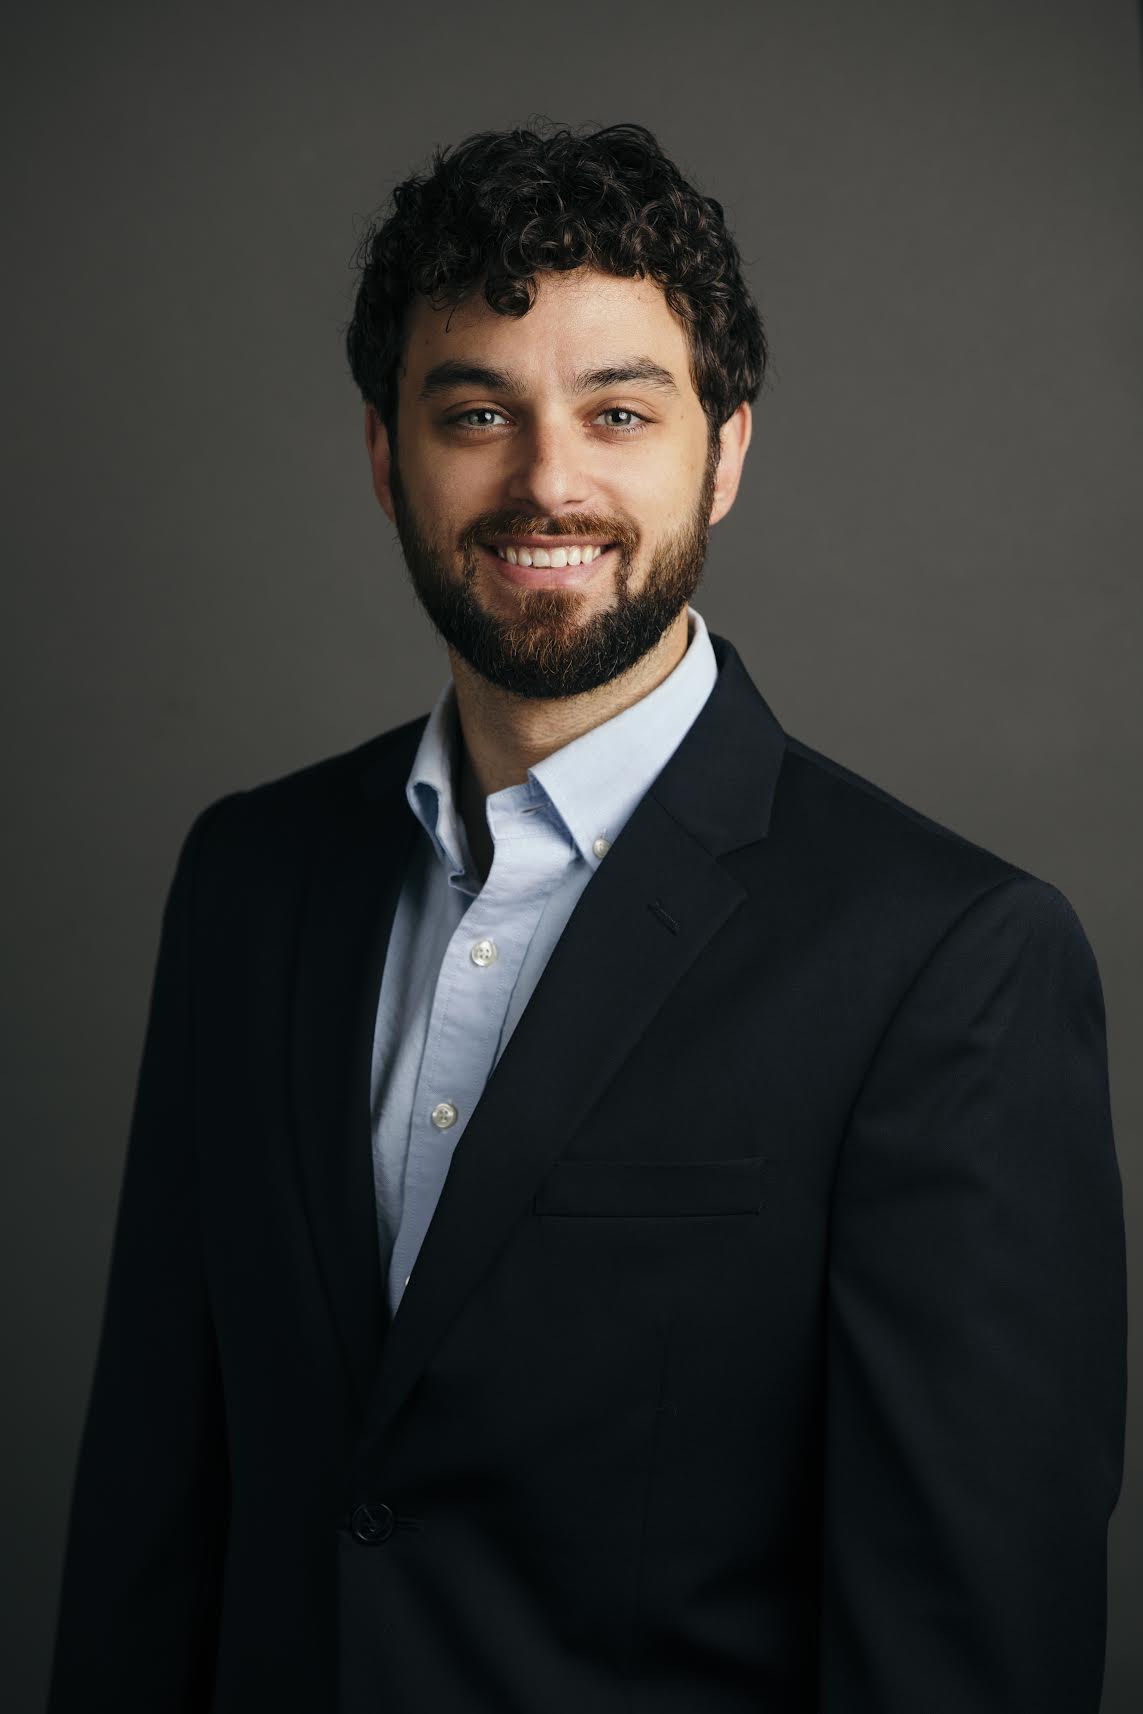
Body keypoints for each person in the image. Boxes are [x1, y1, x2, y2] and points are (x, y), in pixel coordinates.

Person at [46, 122, 1126, 1714]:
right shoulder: (248, 881)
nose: (546, 480)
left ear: (726, 452)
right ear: (385, 455)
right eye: (476, 413)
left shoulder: (950, 962)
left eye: (619, 412)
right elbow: (151, 1525)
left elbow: (967, 1652)